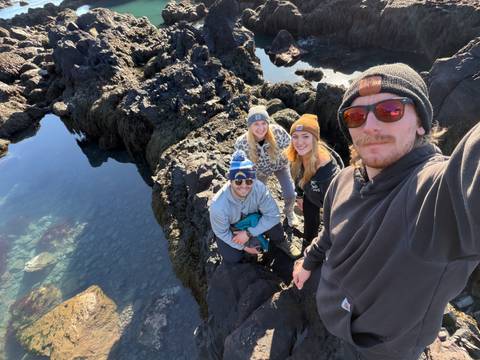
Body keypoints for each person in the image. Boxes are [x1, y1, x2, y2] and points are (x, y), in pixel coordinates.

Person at [292, 63, 480, 360]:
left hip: (384, 351)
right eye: (355, 116)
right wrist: (308, 261)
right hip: (333, 321)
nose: (369, 126)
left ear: (421, 123)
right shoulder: (342, 180)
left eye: (390, 110)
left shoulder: (432, 195)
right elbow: (329, 233)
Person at [209, 149, 290, 273]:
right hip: (232, 229)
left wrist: (248, 233)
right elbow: (222, 233)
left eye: (248, 181)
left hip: (253, 222)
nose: (244, 186)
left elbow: (273, 215)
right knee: (233, 258)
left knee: (277, 232)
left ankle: (279, 243)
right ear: (230, 181)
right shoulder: (218, 206)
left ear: (253, 179)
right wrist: (244, 247)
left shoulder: (259, 188)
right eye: (238, 181)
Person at [284, 113, 341, 248]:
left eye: (305, 136)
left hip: (331, 203)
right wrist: (299, 195)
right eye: (295, 137)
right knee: (310, 225)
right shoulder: (298, 155)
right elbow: (298, 176)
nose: (299, 142)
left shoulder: (327, 172)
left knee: (332, 230)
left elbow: (338, 201)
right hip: (311, 196)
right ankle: (307, 244)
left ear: (315, 139)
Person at [235, 105, 297, 226]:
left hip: (280, 166)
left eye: (263, 123)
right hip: (259, 171)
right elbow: (239, 166)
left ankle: (289, 211)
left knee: (290, 193)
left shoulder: (278, 132)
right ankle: (261, 214)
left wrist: (297, 170)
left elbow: (293, 149)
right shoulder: (241, 143)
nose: (261, 128)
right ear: (249, 126)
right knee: (255, 196)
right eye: (256, 124)